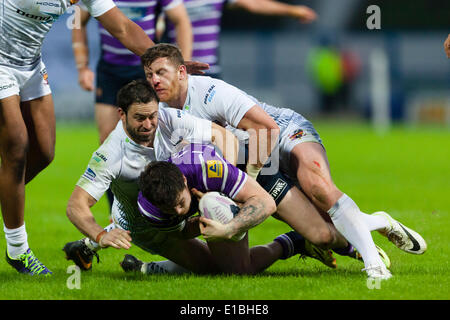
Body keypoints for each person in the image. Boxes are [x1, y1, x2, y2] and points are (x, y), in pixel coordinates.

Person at [141, 43, 428, 280]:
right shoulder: (163, 113)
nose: (154, 80)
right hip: (249, 159)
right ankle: (378, 221)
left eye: (161, 72)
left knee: (318, 186)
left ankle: (373, 266)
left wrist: (247, 187)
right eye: (149, 75)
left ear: (181, 72)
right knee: (321, 234)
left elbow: (266, 129)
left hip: (281, 132)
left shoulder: (209, 93)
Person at [64, 79, 335, 275]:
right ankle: (292, 243)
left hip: (182, 199)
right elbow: (76, 205)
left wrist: (231, 186)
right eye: (139, 118)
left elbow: (221, 134)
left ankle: (109, 256)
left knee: (226, 257)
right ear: (121, 115)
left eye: (152, 116)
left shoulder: (170, 119)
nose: (148, 125)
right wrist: (100, 235)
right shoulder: (111, 154)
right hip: (149, 226)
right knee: (216, 269)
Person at [0, 0, 176, 276]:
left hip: (30, 66)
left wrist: (167, 64)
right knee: (16, 145)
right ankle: (18, 250)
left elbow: (123, 27)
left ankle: (8, 198)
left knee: (44, 152)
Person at [72, 0, 194, 210]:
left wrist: (180, 65)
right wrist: (82, 65)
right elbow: (76, 20)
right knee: (107, 140)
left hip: (145, 70)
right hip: (110, 72)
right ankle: (117, 211)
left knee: (154, 140)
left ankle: (159, 202)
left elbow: (181, 19)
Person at [157, 0, 317, 78]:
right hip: (176, 73)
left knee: (211, 131)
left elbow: (253, 4)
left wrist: (292, 10)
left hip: (209, 71)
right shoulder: (170, 3)